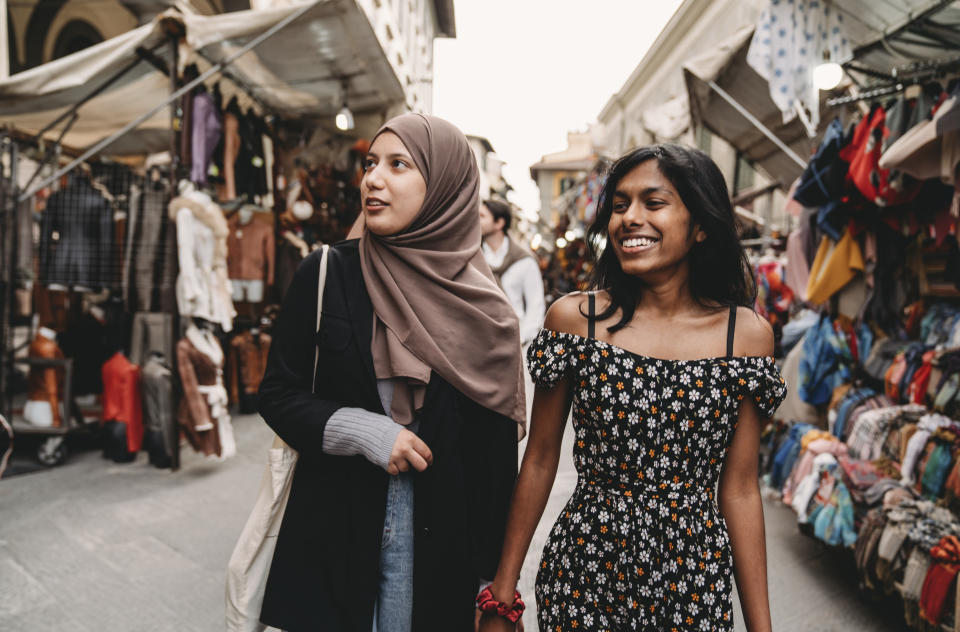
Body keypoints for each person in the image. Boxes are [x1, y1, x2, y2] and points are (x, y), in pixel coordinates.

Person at [478, 144, 787, 632]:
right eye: (620, 205)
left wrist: (761, 627)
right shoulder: (575, 321)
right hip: (584, 572)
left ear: (702, 225)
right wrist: (502, 595)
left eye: (654, 202)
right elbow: (539, 461)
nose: (629, 219)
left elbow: (742, 489)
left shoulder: (744, 337)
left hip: (694, 580)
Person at [257, 114, 526, 632]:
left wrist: (493, 588)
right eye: (370, 164)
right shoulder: (328, 273)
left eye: (398, 165)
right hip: (331, 541)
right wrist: (365, 431)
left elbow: (494, 472)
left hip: (440, 559)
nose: (373, 179)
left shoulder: (487, 315)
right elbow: (278, 393)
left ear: (446, 186)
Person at [479, 198, 546, 347]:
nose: (476, 221)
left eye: (482, 216)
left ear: (499, 223)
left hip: (514, 341)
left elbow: (536, 306)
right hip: (478, 342)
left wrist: (520, 339)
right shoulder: (474, 257)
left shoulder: (524, 261)